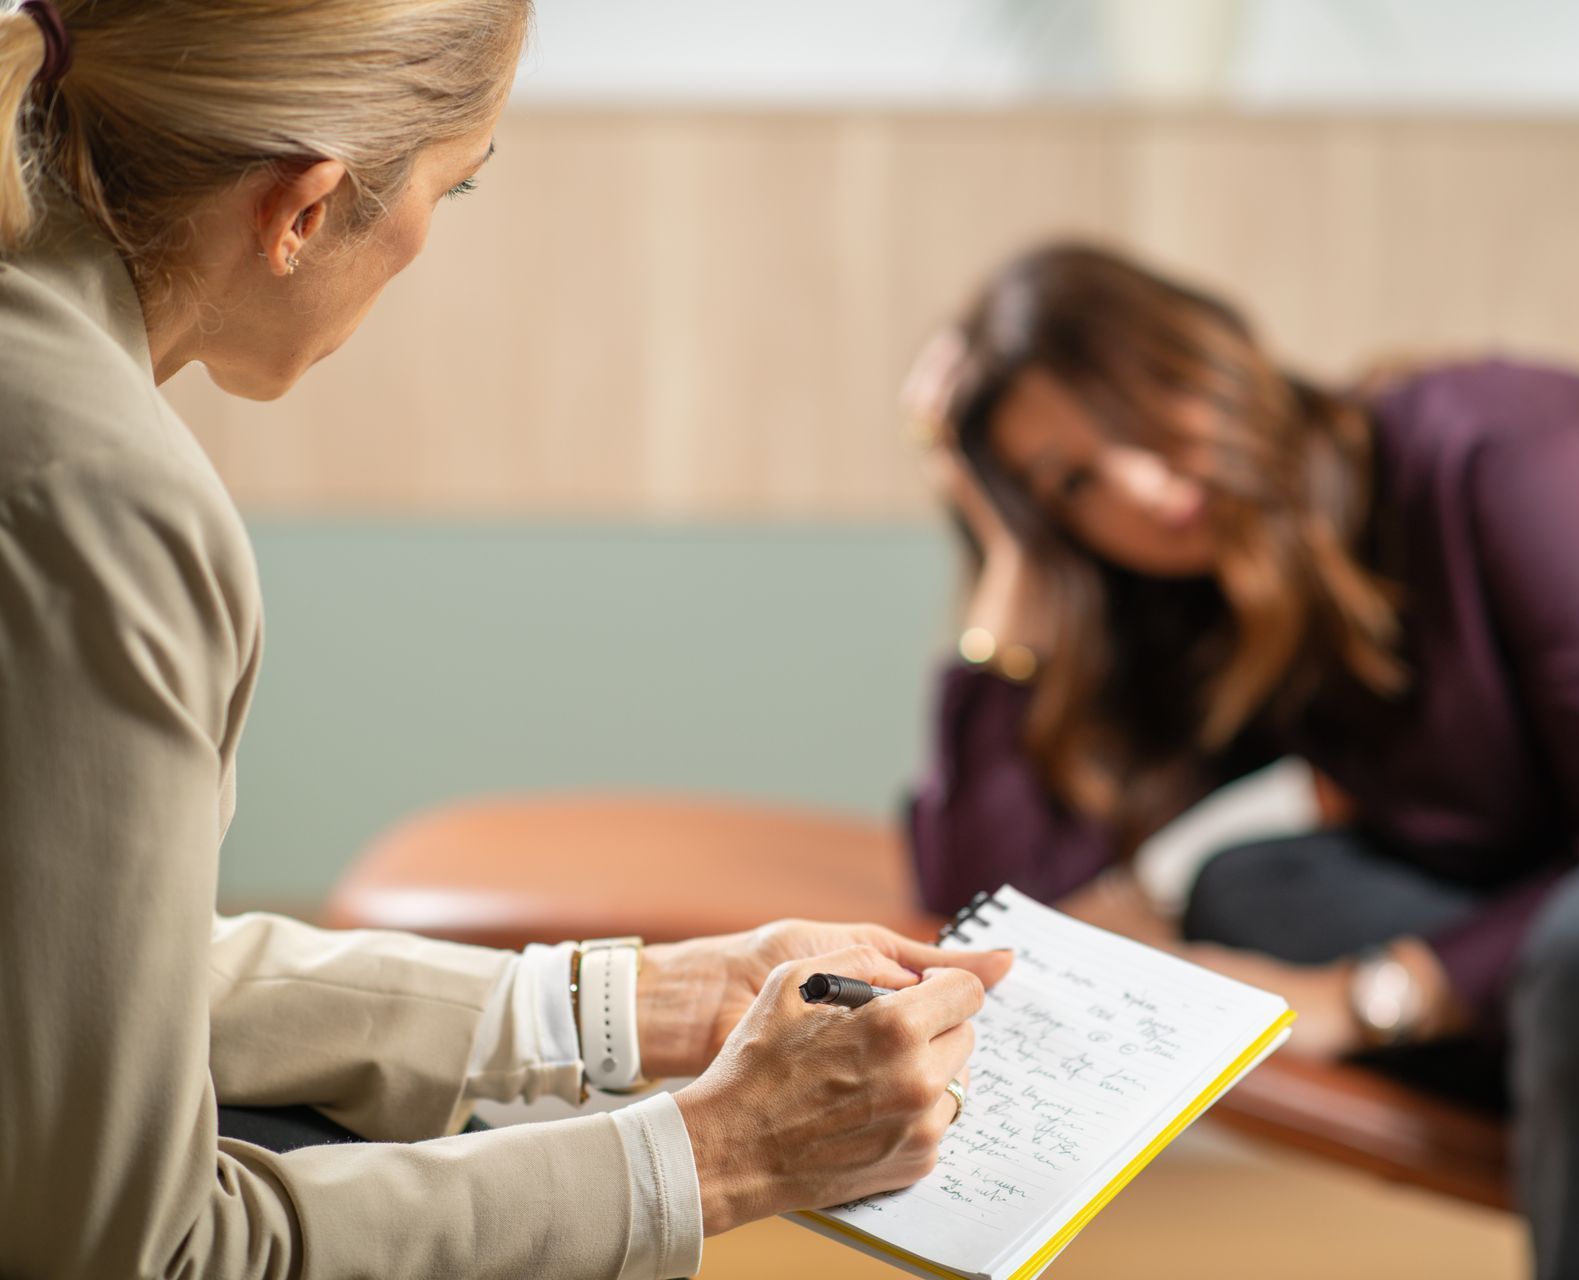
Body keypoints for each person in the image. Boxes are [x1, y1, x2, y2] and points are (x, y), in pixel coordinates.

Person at [0, 4, 1013, 1278]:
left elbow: (71, 983)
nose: (431, 232)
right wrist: (724, 1153)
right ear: (304, 207)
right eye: (450, 184)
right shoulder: (92, 492)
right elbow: (129, 1252)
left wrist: (645, 1001)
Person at [907, 240, 1579, 1279]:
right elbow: (995, 903)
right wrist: (1005, 557)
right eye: (1070, 483)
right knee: (1251, 892)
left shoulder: (1510, 447)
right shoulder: (1213, 593)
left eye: (1129, 415)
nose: (1135, 483)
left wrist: (1369, 995)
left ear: (1209, 353)